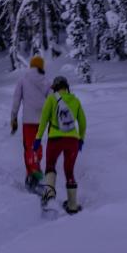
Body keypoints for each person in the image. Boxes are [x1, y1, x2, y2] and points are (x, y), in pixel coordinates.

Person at [34, 76, 86, 214]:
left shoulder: (51, 99)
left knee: (50, 165)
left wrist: (38, 138)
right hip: (72, 141)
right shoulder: (75, 100)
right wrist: (81, 139)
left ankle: (49, 197)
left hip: (55, 139)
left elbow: (44, 120)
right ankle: (73, 205)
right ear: (66, 86)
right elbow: (83, 123)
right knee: (69, 171)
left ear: (55, 88)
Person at [9, 54, 52, 189]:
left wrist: (14, 117)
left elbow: (16, 100)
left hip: (28, 120)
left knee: (28, 147)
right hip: (42, 121)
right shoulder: (47, 82)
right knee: (37, 146)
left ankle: (33, 174)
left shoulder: (23, 80)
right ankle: (34, 171)